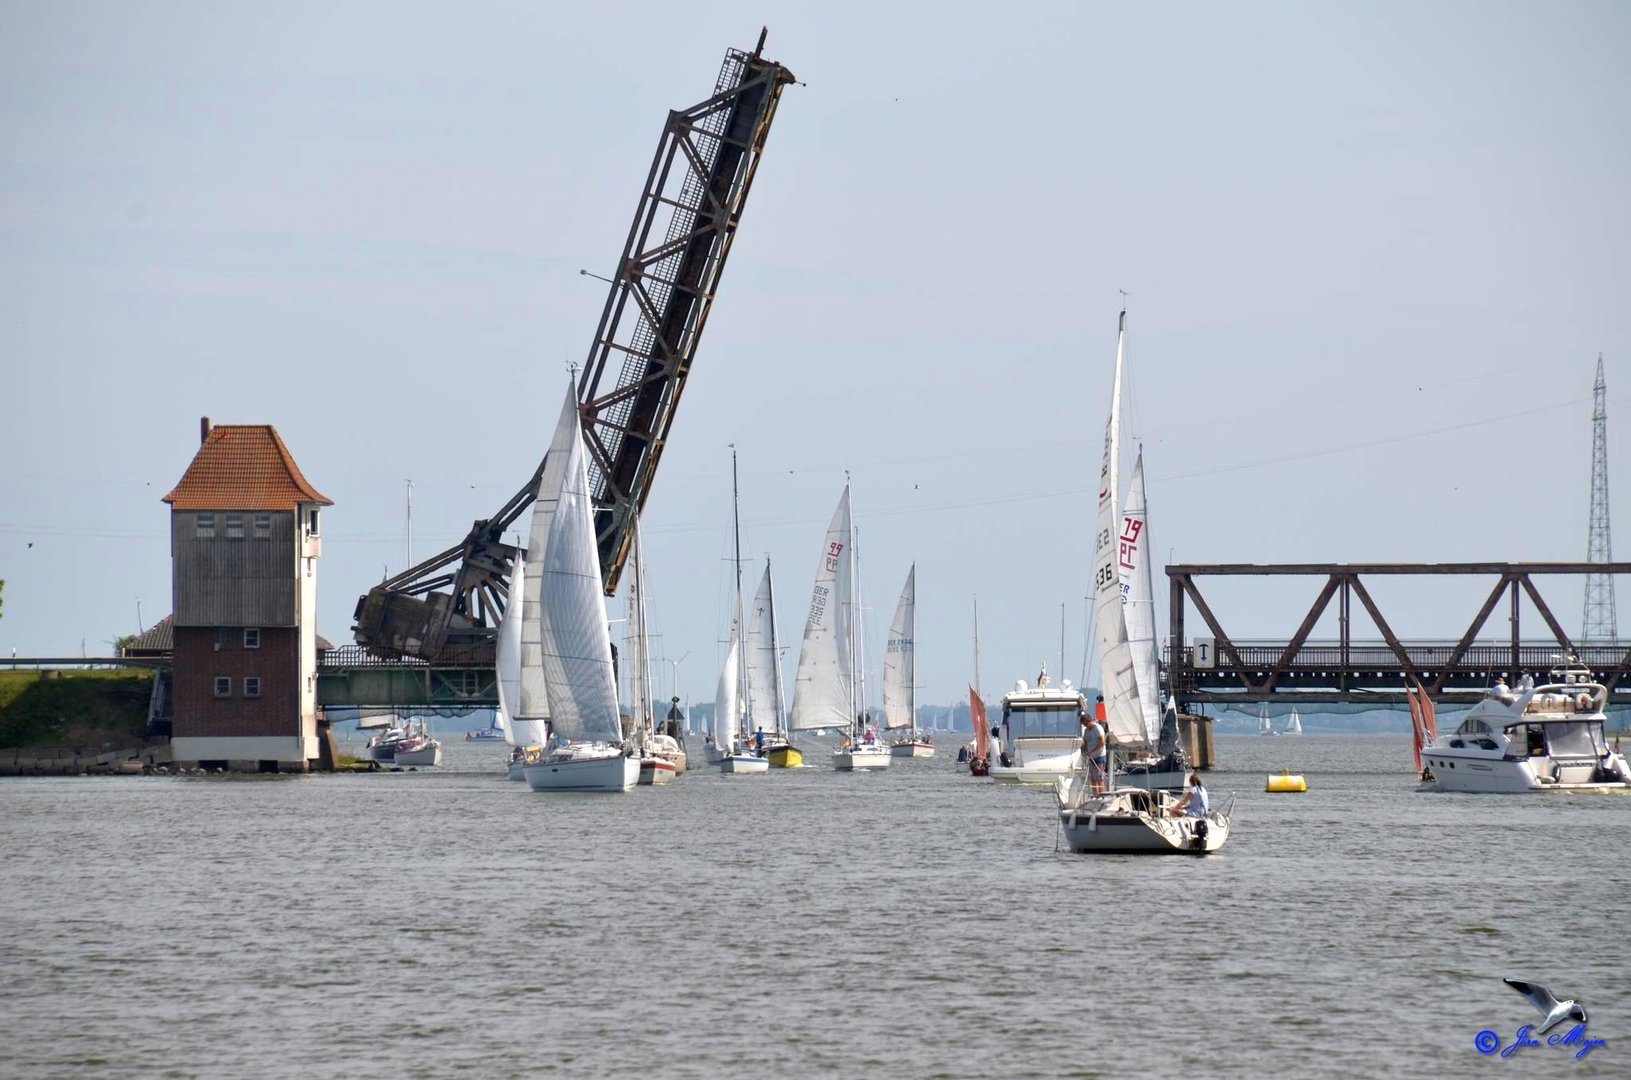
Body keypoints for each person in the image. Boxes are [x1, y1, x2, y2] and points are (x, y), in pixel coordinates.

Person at [1080, 709, 1107, 794]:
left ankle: (1101, 795)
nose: (1084, 725)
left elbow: (1102, 742)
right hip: (1091, 758)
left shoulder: (1097, 728)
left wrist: (1092, 751)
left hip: (1100, 757)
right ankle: (1095, 795)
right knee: (1092, 778)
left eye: (1084, 723)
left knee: (1099, 778)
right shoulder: (1086, 730)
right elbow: (1085, 742)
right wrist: (1084, 750)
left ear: (1088, 721)